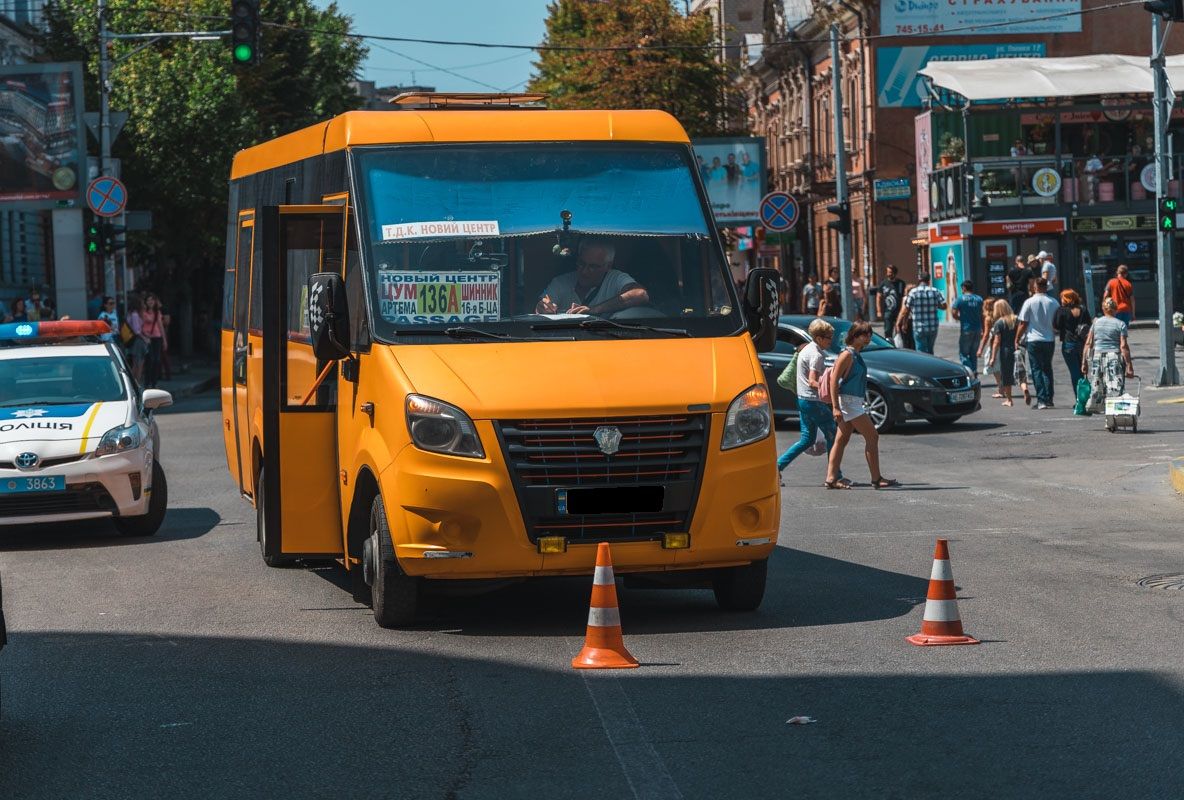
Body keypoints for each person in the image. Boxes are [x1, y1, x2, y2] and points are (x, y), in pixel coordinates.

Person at [824, 321, 897, 490]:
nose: (868, 338)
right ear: (854, 336)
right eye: (864, 335)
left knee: (841, 440)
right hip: (849, 402)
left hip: (853, 401)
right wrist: (835, 407)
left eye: (869, 335)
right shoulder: (847, 355)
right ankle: (876, 478)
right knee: (872, 436)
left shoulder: (855, 354)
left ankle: (831, 478)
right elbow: (834, 381)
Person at [776, 319, 839, 482]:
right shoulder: (816, 355)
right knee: (833, 434)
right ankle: (835, 475)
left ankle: (777, 466)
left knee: (807, 439)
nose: (831, 341)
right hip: (813, 401)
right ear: (819, 338)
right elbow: (812, 381)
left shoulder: (807, 349)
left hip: (803, 400)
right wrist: (830, 389)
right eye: (828, 338)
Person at [536, 240, 649, 316]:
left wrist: (594, 310)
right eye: (581, 263)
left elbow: (640, 294)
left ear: (608, 266)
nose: (584, 271)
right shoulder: (560, 282)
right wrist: (542, 308)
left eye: (593, 267)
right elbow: (540, 309)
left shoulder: (615, 278)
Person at [1083, 297, 1135, 412]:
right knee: (1115, 387)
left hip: (1097, 357)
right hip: (1113, 357)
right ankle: (1113, 413)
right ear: (1116, 309)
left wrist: (1084, 363)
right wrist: (1129, 366)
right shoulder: (1120, 324)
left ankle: (1100, 409)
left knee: (1097, 386)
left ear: (1103, 309)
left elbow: (1088, 343)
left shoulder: (1096, 323)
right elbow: (1123, 346)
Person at [1016, 277, 1059, 409]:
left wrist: (1017, 338)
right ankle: (1049, 398)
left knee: (1036, 369)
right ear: (1046, 287)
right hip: (1049, 339)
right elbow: (1057, 322)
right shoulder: (1054, 302)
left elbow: (1023, 323)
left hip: (1033, 340)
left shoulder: (1029, 302)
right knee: (1047, 368)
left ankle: (1041, 400)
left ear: (1035, 287)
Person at [897, 271, 945, 354]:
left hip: (919, 327)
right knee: (930, 350)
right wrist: (934, 305)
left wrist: (904, 323)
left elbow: (906, 309)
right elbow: (944, 306)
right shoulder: (935, 291)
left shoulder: (913, 292)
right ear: (929, 280)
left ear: (919, 280)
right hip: (932, 326)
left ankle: (924, 362)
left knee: (921, 351)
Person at [1053, 289, 1091, 391]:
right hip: (1082, 344)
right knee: (1082, 370)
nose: (1061, 300)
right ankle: (1084, 394)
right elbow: (1089, 324)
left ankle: (1079, 396)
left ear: (1067, 299)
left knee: (1074, 372)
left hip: (1068, 343)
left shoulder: (1061, 310)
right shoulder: (1083, 309)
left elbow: (1056, 325)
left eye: (1062, 298)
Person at [987, 299, 1018, 407]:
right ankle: (1025, 389)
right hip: (1017, 348)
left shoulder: (999, 323)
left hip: (1005, 350)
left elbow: (996, 342)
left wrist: (992, 357)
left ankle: (1009, 400)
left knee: (1006, 375)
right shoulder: (1016, 319)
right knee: (1020, 372)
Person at [950, 280, 984, 375]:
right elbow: (982, 314)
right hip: (977, 329)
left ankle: (970, 372)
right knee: (973, 353)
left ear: (964, 288)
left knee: (963, 354)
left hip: (966, 329)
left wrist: (960, 318)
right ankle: (974, 370)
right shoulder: (979, 299)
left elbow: (954, 312)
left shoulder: (960, 299)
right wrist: (983, 328)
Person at [140, 293, 167, 388]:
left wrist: (164, 340)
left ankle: (154, 382)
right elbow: (140, 326)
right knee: (150, 360)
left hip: (157, 337)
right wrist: (145, 334)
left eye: (152, 300)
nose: (150, 302)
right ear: (146, 302)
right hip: (147, 338)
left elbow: (160, 326)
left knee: (157, 360)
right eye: (148, 300)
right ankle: (147, 382)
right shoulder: (143, 312)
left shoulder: (157, 312)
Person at [874, 264, 905, 340]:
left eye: (890, 272)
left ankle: (899, 344)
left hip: (899, 311)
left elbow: (904, 297)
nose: (888, 274)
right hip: (888, 311)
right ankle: (889, 342)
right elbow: (878, 297)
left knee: (900, 330)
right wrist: (879, 311)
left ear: (894, 273)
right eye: (887, 272)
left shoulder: (901, 283)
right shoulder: (883, 283)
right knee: (888, 330)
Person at [976, 298, 999, 395]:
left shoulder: (988, 318)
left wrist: (980, 349)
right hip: (1001, 344)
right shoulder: (999, 316)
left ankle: (1001, 389)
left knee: (994, 368)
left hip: (993, 344)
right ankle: (1002, 388)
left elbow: (985, 335)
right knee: (999, 367)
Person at [126, 295, 147, 384]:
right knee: (138, 363)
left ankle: (135, 382)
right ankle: (136, 382)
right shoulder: (135, 315)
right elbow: (137, 330)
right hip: (137, 340)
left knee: (137, 362)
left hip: (135, 340)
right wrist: (145, 338)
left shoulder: (131, 314)